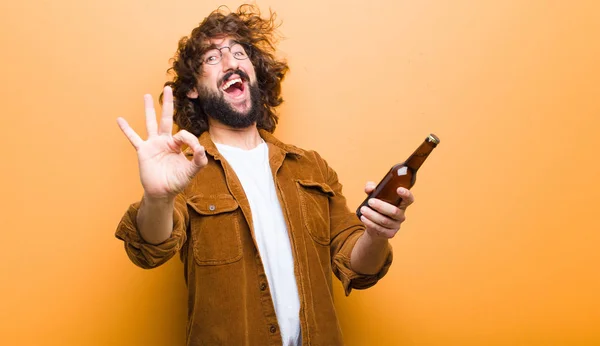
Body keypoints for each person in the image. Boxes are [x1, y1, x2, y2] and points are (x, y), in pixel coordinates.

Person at [115, 4, 414, 346]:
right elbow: (150, 249)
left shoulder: (311, 167)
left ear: (254, 73)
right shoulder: (186, 171)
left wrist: (376, 234)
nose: (231, 63)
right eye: (212, 58)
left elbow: (357, 267)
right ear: (193, 89)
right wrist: (158, 197)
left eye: (239, 53)